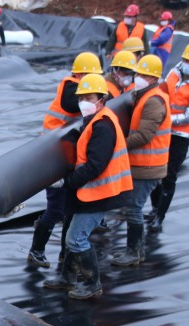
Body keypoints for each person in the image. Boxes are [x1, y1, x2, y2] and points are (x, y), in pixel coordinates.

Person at [43, 74, 133, 299]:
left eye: (89, 97)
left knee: (75, 238)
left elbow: (95, 166)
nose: (84, 101)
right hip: (87, 192)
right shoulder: (95, 119)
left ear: (101, 99)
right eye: (81, 97)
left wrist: (67, 182)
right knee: (70, 236)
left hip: (99, 193)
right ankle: (67, 278)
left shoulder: (103, 126)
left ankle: (93, 284)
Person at [29, 52, 103, 269]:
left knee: (68, 209)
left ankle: (64, 254)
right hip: (54, 158)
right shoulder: (70, 88)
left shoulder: (79, 92)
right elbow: (72, 105)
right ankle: (37, 250)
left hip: (66, 158)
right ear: (80, 74)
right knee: (56, 209)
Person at [112, 55, 170, 267]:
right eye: (138, 73)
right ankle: (135, 251)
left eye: (145, 75)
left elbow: (145, 135)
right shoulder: (143, 96)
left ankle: (134, 252)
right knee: (132, 207)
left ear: (154, 78)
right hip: (142, 165)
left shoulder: (154, 101)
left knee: (133, 208)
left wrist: (117, 145)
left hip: (149, 167)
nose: (139, 78)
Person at [149, 41, 189, 233]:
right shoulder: (174, 73)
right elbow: (163, 92)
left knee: (169, 175)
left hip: (181, 134)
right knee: (154, 169)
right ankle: (154, 208)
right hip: (164, 128)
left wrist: (164, 118)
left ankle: (160, 216)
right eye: (186, 59)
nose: (187, 63)